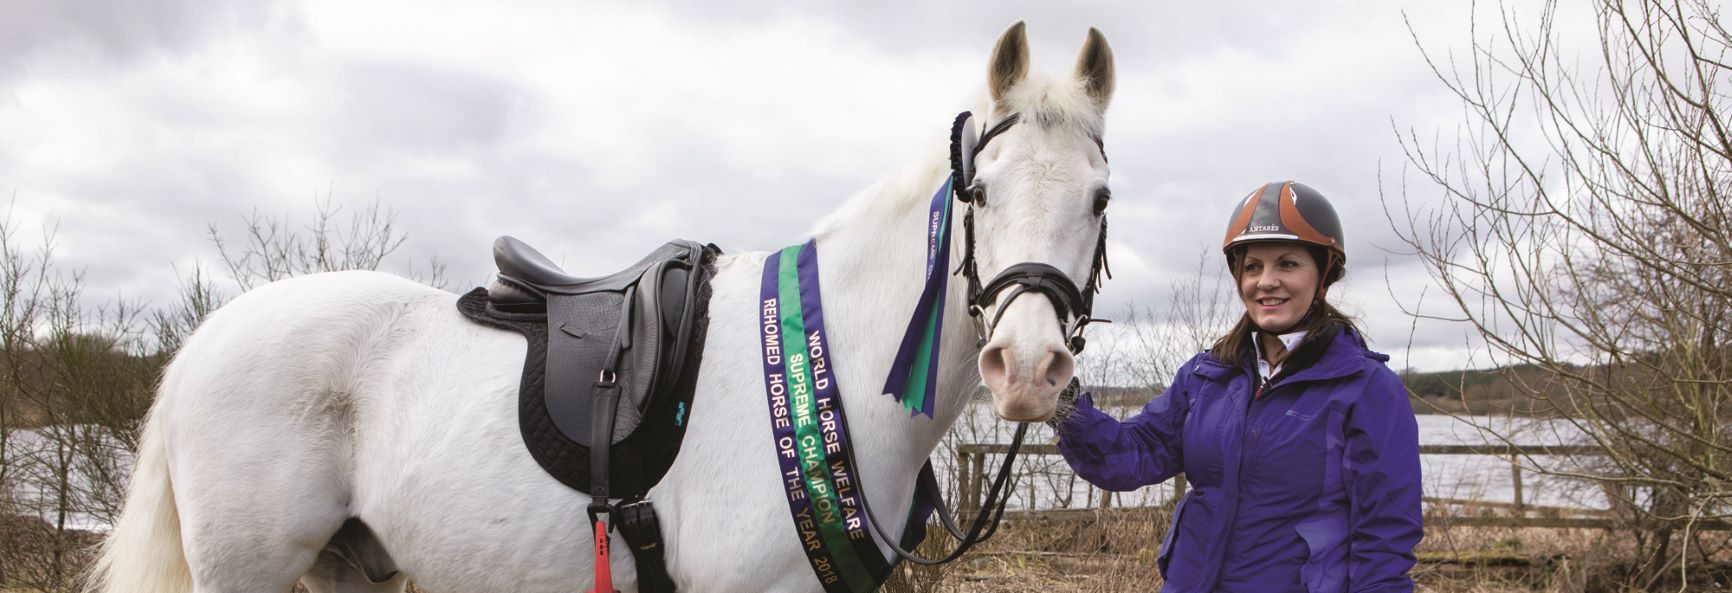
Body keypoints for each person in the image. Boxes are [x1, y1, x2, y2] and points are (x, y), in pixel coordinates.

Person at [1051, 181, 1423, 593]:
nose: (1266, 281)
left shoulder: (1367, 389)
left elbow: (1385, 538)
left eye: (1287, 264)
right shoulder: (1207, 376)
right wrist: (1060, 399)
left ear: (1324, 274)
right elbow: (1130, 454)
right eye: (1252, 267)